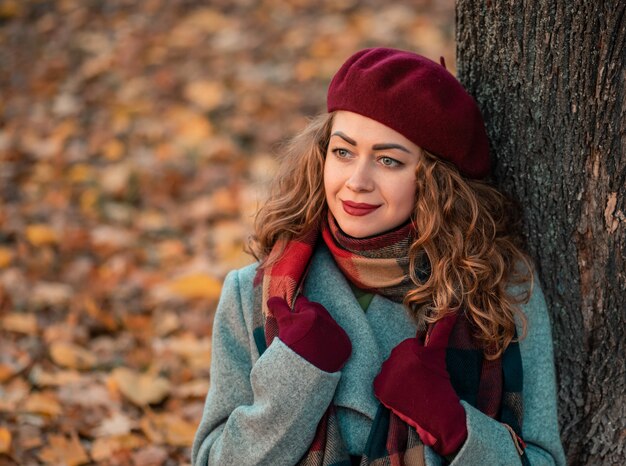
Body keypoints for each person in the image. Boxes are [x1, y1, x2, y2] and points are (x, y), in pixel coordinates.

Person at [191, 47, 567, 466]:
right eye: (343, 152)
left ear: (435, 182)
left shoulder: (499, 289)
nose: (357, 181)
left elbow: (543, 459)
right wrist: (293, 379)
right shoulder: (254, 294)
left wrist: (456, 429)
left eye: (388, 160)